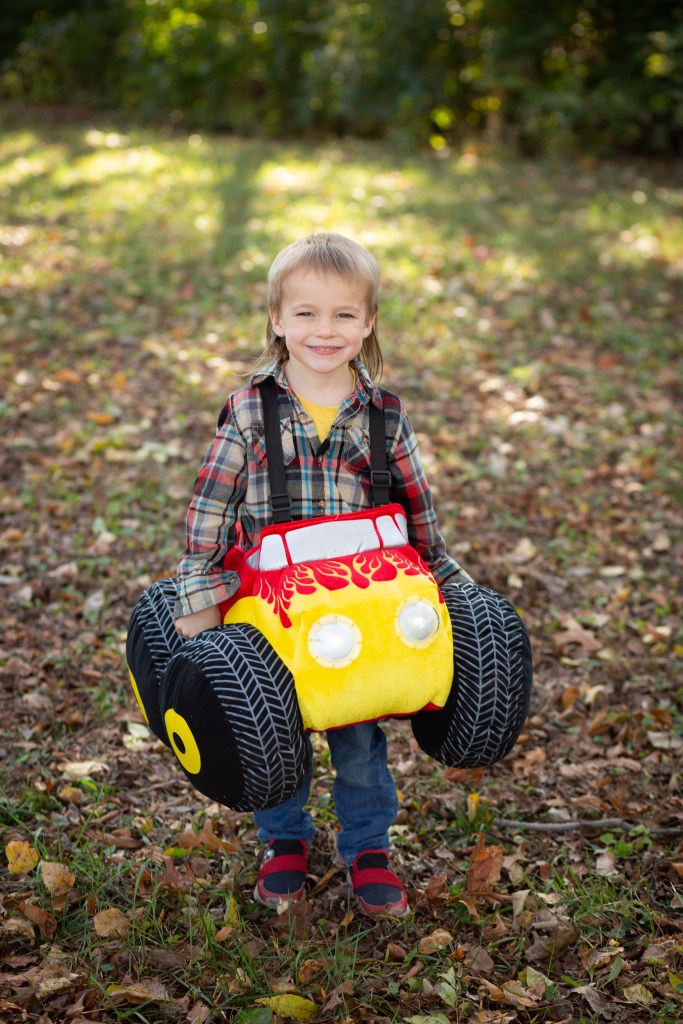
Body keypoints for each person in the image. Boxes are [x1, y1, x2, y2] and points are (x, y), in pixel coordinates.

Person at [173, 232, 472, 917]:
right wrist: (200, 595)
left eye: (343, 314)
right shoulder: (249, 411)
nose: (324, 330)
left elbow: (418, 509)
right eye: (305, 313)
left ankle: (368, 847)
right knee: (274, 732)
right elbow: (210, 511)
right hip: (273, 608)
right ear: (277, 319)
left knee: (360, 739)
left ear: (368, 323)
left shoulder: (384, 415)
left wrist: (448, 586)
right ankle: (284, 840)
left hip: (364, 610)